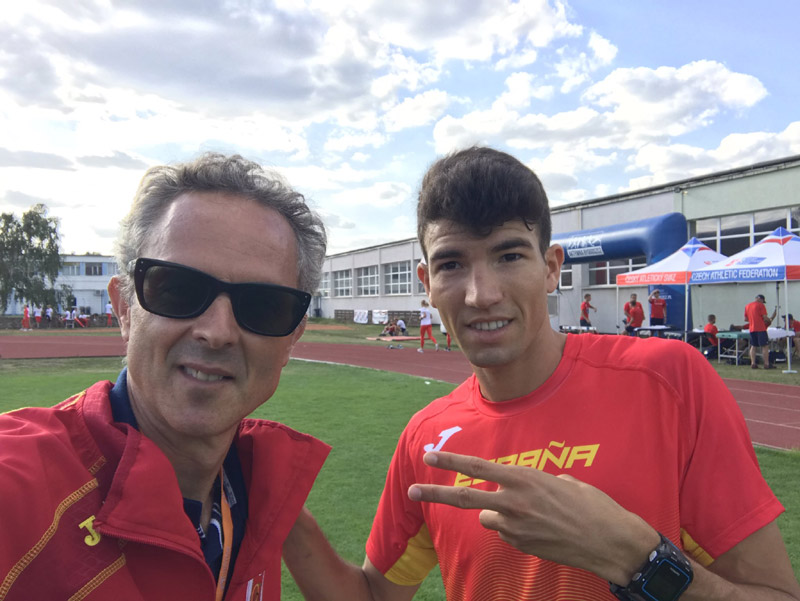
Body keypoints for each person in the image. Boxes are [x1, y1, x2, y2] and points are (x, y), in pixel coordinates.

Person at [283, 146, 800, 601]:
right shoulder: (427, 438)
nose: (480, 294)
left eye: (509, 255)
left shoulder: (666, 381)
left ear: (551, 267)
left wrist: (638, 559)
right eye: (451, 264)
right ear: (426, 282)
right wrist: (280, 510)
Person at [0, 153, 331, 600]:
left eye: (263, 305)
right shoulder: (19, 492)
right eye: (178, 289)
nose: (216, 333)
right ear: (124, 309)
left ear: (293, 336)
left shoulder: (255, 488)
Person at [744, 294, 777, 369]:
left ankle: (753, 363)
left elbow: (746, 319)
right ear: (761, 299)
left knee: (753, 346)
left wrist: (753, 319)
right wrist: (770, 320)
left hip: (752, 328)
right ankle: (766, 364)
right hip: (760, 328)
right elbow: (765, 317)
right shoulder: (761, 305)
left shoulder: (747, 306)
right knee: (765, 346)